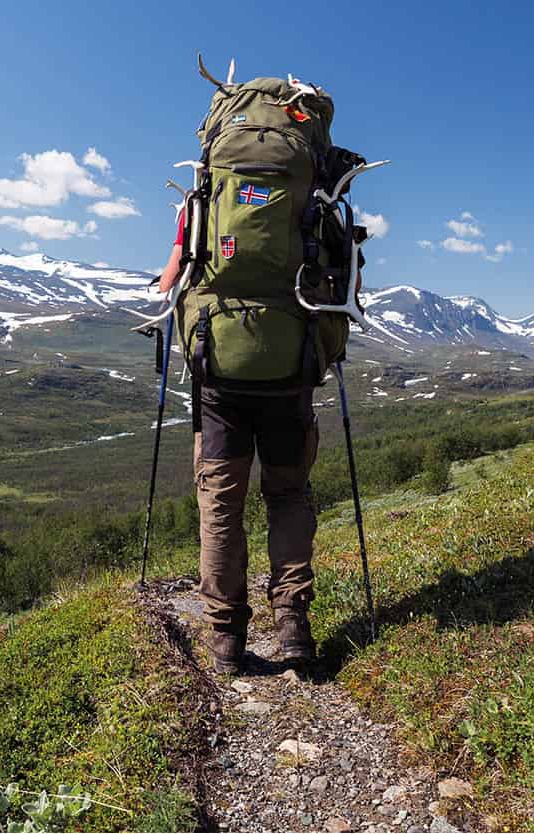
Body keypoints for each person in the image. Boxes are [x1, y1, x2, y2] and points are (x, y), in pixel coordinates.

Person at [157, 214, 319, 675]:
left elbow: (170, 280)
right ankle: (293, 626)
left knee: (221, 507)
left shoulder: (206, 195)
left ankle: (225, 637)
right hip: (290, 369)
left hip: (219, 376)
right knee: (288, 496)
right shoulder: (311, 192)